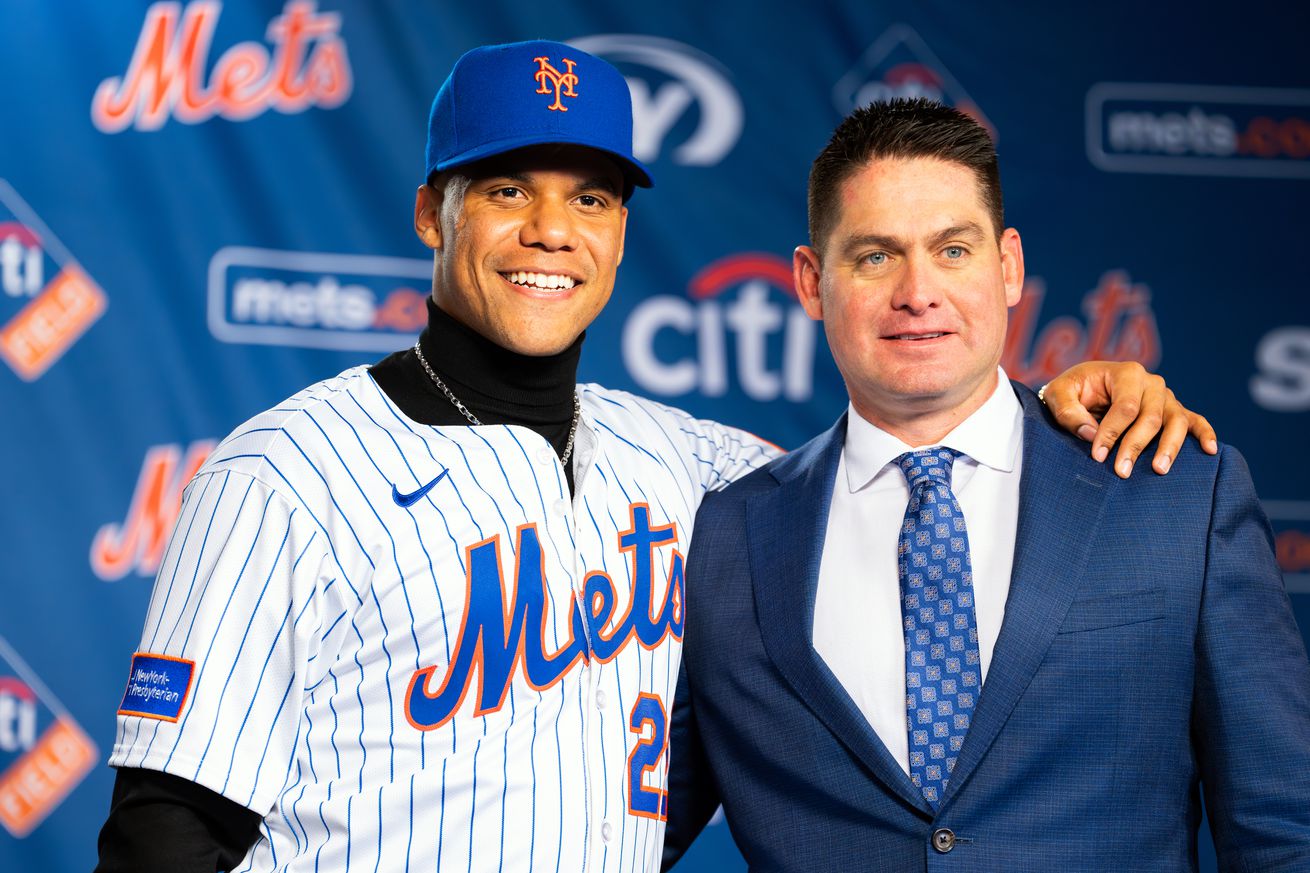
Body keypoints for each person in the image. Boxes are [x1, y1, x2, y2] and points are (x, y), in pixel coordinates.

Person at [95, 43, 1210, 872]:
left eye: (589, 196)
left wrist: (1068, 404)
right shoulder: (282, 473)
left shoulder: (703, 471)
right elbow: (166, 825)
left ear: (621, 232)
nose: (550, 230)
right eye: (505, 190)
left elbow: (914, 456)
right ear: (433, 212)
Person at [661, 98, 1310, 872]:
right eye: (875, 256)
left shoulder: (1176, 495)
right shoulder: (722, 537)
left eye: (953, 250)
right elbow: (628, 823)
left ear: (1008, 266)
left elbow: (1284, 830)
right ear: (810, 280)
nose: (917, 291)